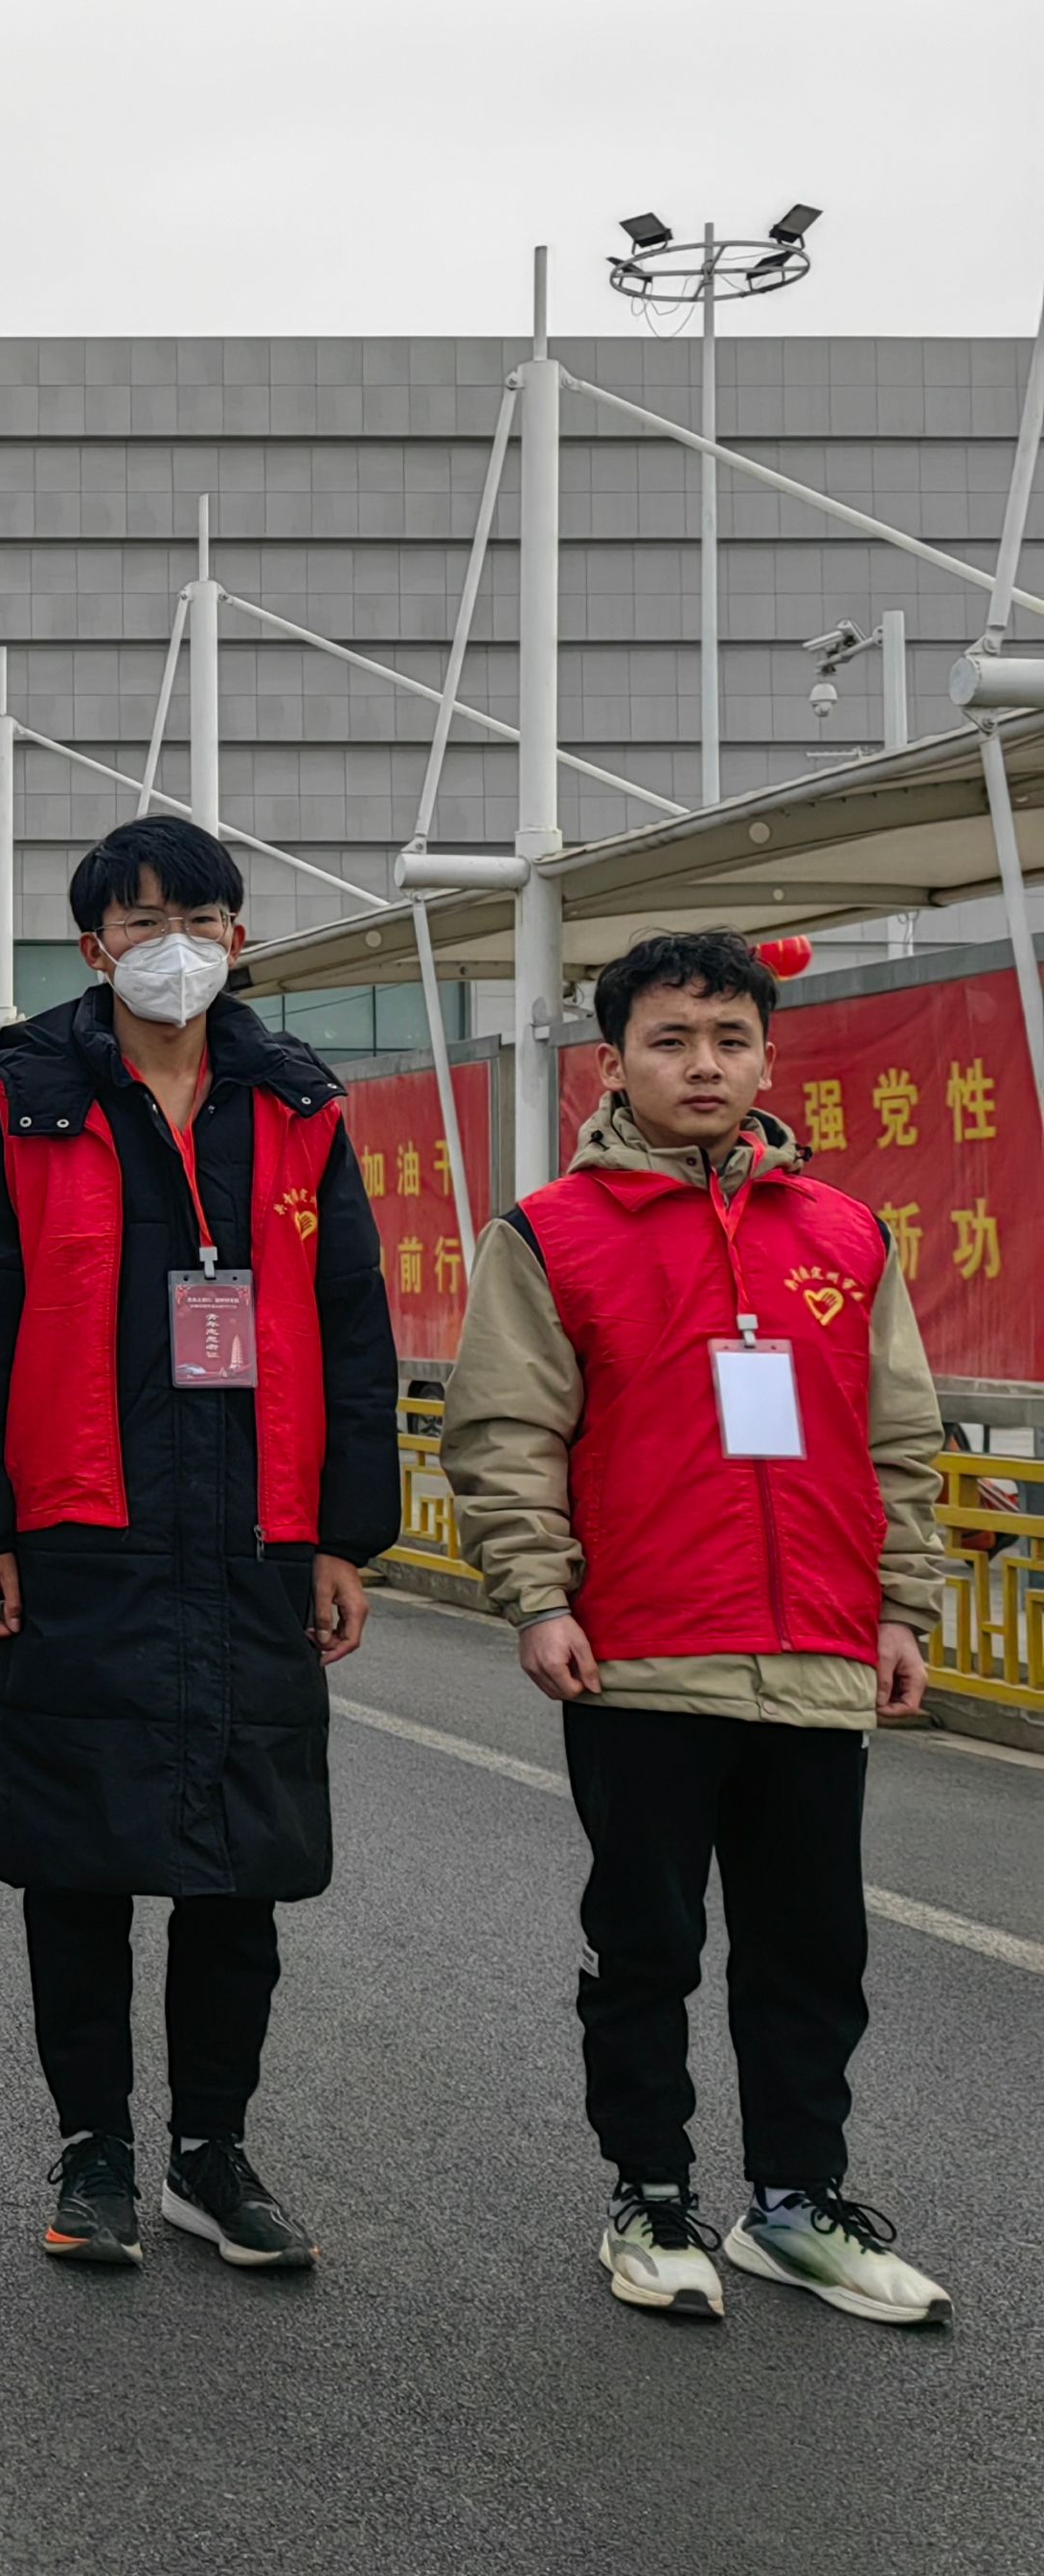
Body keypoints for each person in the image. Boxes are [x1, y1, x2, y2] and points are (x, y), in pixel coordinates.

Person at [441, 929, 953, 2328]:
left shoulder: (844, 1234)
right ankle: (650, 2198)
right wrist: (537, 1594)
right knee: (648, 1944)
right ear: (616, 1062)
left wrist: (906, 1605)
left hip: (819, 1658)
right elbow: (505, 1437)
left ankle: (796, 2204)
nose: (705, 1065)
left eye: (730, 1041)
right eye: (672, 1041)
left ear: (769, 1060)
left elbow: (897, 1438)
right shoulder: (551, 1234)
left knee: (810, 1953)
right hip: (643, 1654)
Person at [0, 812, 396, 2273]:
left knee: (238, 1862)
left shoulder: (300, 1107)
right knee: (78, 1857)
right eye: (141, 922)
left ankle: (211, 2149)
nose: (172, 945)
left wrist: (340, 1535)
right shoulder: (28, 1102)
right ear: (92, 946)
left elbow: (353, 1327)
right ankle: (95, 2148)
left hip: (252, 1531)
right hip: (80, 1531)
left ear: (240, 938)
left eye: (200, 918)